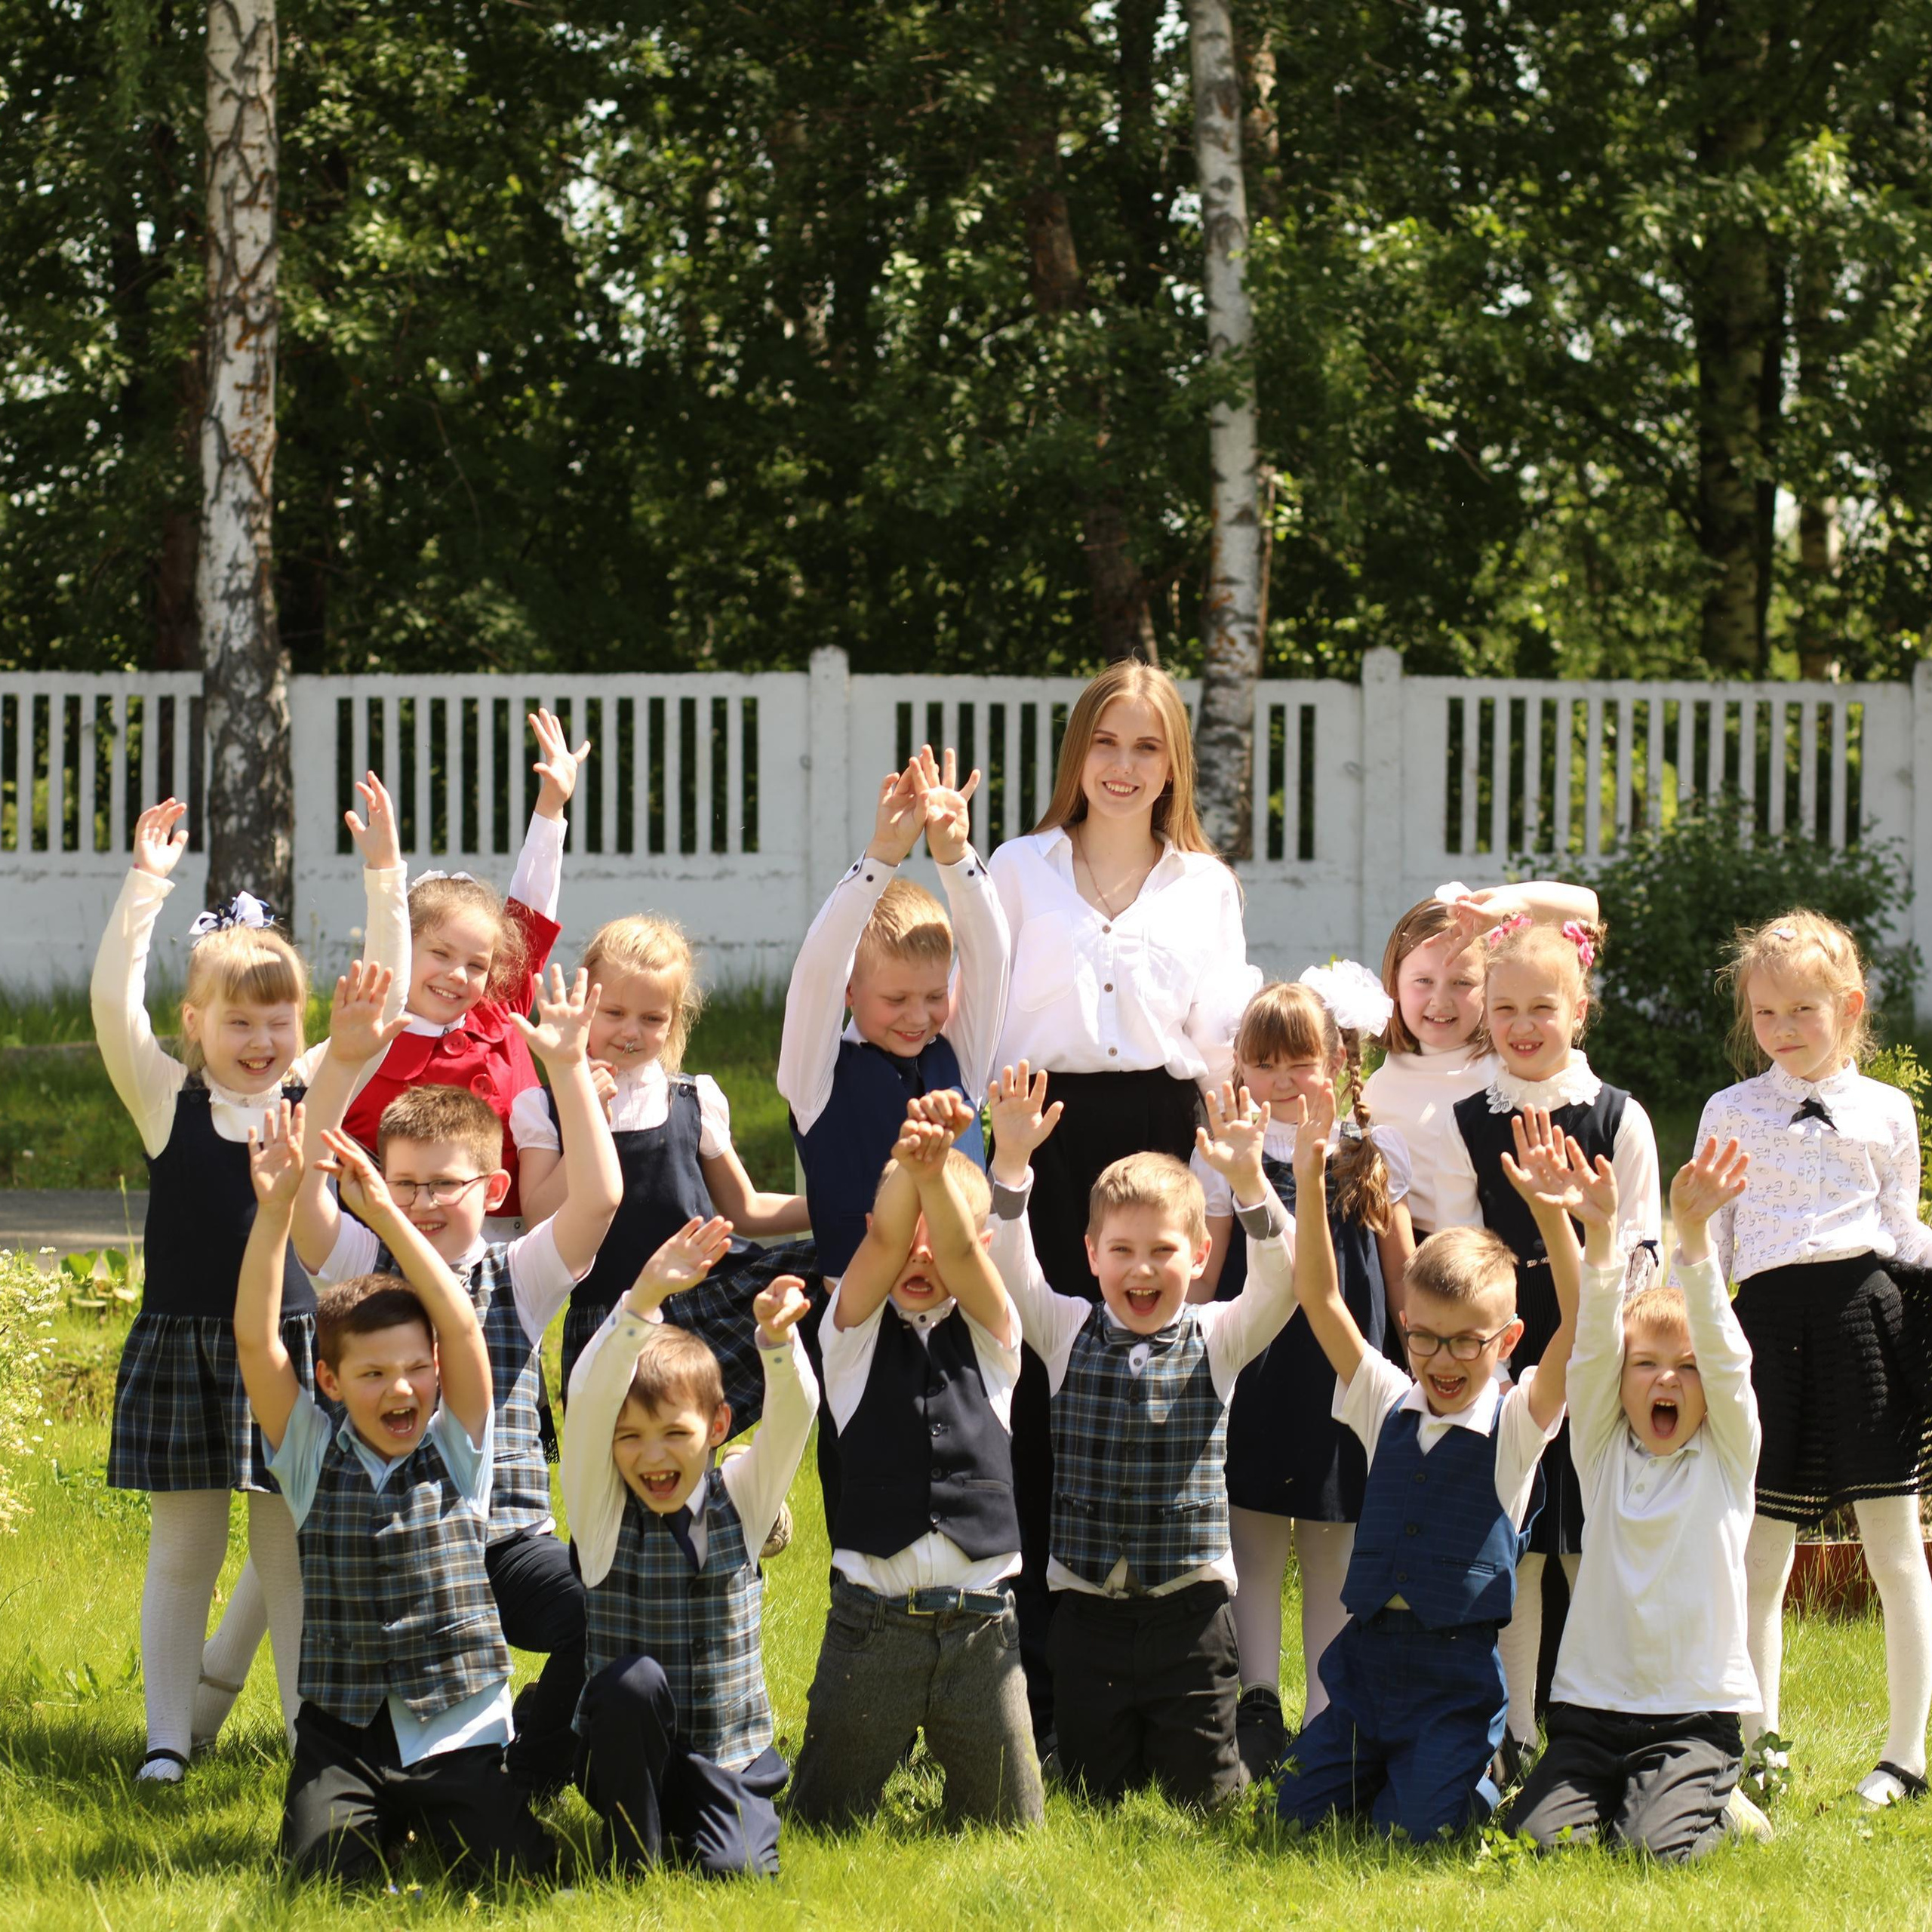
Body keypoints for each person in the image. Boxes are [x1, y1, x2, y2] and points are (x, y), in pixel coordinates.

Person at [91, 782, 408, 1783]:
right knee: (184, 1546)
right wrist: (146, 884)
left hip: (292, 1345)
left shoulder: (306, 1092)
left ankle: (310, 1748)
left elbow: (384, 1004)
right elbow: (110, 1000)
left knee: (291, 1553)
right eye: (240, 1022)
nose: (263, 1042)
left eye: (280, 1021)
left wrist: (385, 874)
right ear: (196, 1021)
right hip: (185, 1342)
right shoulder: (162, 1098)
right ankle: (166, 1744)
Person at [985, 660, 1257, 1736]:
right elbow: (978, 1020)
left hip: (1156, 1141)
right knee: (1040, 1395)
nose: (1125, 766)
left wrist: (1219, 1203)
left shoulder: (1205, 886)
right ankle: (1034, 1688)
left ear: (1173, 762)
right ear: (1077, 754)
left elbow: (1218, 1052)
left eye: (1148, 747)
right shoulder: (1017, 868)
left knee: (1148, 1401)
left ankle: (1155, 1678)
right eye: (1108, 743)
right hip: (1038, 1140)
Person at [291, 959, 622, 1800]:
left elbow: (599, 1198)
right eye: (403, 1185)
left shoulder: (519, 1274)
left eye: (445, 1184)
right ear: (378, 1185)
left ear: (496, 1187)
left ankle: (535, 1764)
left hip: (506, 1540)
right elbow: (303, 1200)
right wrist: (340, 1063)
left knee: (607, 1610)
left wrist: (571, 1067)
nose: (424, 1203)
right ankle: (389, 1770)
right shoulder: (370, 1265)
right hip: (397, 1548)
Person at [235, 1106, 552, 1881]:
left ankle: (463, 1812)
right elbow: (255, 1339)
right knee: (322, 1874)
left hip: (457, 1727)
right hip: (344, 1733)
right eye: (373, 1375)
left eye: (414, 1368)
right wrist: (275, 1212)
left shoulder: (458, 1443)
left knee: (513, 1874)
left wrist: (382, 1211)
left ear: (437, 1370)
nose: (400, 1387)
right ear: (331, 1382)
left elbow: (463, 1327)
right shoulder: (311, 1453)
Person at [983, 1066, 1294, 1807]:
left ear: (1196, 1256)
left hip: (1190, 1620)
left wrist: (1249, 1184)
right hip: (1086, 1618)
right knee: (1097, 1793)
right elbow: (1007, 1265)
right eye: (1121, 1251)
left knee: (1204, 1797)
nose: (1142, 1267)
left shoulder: (1218, 1335)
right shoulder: (1064, 1330)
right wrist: (1012, 1164)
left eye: (1161, 1250)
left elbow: (1282, 1283)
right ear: (1091, 1254)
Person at [1272, 1097, 1575, 1842]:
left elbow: (1582, 1327)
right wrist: (1309, 1181)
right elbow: (1320, 1297)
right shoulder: (1385, 1399)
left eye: (1465, 1342)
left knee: (1411, 1835)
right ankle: (1377, 1766)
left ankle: (1474, 1767)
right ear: (1405, 1329)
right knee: (1296, 1819)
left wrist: (1553, 1214)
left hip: (1453, 1680)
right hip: (1368, 1668)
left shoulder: (1513, 1427)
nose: (1442, 1361)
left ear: (1505, 1341)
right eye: (1425, 1339)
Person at [1692, 910, 1932, 1809]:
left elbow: (1902, 1230)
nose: (1783, 1029)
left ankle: (1903, 1755)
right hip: (1767, 1335)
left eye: (1803, 1009)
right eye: (1764, 1014)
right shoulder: (1728, 1112)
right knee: (1761, 1551)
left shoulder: (1887, 1109)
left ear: (1850, 1004)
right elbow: (1712, 1247)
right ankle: (1758, 1746)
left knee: (1895, 1547)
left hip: (1867, 1325)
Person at [1503, 1131, 1774, 1858]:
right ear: (1622, 1388)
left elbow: (1727, 1357)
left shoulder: (1725, 1459)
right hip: (1591, 1715)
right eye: (1647, 1365)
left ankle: (1720, 1799)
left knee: (1651, 1854)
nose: (1666, 1381)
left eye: (1684, 1370)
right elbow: (1591, 1353)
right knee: (1539, 1843)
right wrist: (1599, 1244)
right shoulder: (1600, 1451)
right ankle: (1639, 1795)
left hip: (1692, 1718)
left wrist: (1694, 1241)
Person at [1435, 915, 1660, 1760]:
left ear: (1578, 1011)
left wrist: (1612, 1345)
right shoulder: (1466, 1120)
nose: (1522, 1026)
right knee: (1519, 1547)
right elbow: (1459, 1250)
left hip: (1598, 1350)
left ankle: (1596, 1718)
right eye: (1504, 1009)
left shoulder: (1618, 1117)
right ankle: (1518, 1733)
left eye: (1542, 1007)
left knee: (1584, 1542)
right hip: (1509, 1358)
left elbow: (1641, 1247)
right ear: (1483, 1014)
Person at [790, 1092, 1044, 1832]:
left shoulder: (997, 1336)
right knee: (822, 1822)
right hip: (872, 1626)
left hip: (981, 1632)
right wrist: (914, 1152)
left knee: (1010, 1828)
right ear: (877, 1231)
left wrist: (933, 1173)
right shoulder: (852, 1333)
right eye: (907, 1235)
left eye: (942, 1235)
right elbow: (883, 1246)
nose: (921, 1252)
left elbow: (958, 1254)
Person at [1189, 968, 1414, 1780]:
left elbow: (1402, 1271)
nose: (1281, 1082)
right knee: (1249, 1543)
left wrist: (1418, 1360)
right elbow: (1208, 1266)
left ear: (1336, 1060)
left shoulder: (1371, 1150)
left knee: (1332, 1548)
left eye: (1300, 1062)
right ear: (1239, 1066)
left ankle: (1326, 1721)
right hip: (1256, 1373)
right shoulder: (1223, 1148)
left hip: (1342, 1378)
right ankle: (1256, 1706)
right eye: (1264, 1063)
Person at [777, 746, 1004, 1527]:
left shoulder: (959, 1054)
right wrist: (880, 857)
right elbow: (813, 971)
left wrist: (954, 856)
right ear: (852, 988)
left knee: (975, 1504)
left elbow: (991, 956)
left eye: (934, 996)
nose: (918, 1015)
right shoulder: (815, 1073)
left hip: (964, 1311)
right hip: (858, 1321)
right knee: (866, 1515)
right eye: (895, 997)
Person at [564, 1220, 817, 1878]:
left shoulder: (744, 1497)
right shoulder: (601, 1516)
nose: (652, 1457)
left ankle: (715, 1830)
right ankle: (632, 1859)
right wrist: (643, 1298)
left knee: (738, 1874)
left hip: (728, 1757)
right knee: (630, 1684)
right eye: (630, 1438)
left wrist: (777, 1342)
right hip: (627, 1759)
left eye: (675, 1432)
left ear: (718, 1427)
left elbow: (794, 1417)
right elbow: (589, 1401)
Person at [519, 911, 811, 1390]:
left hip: (704, 1300)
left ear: (675, 1021)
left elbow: (747, 1208)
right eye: (614, 1013)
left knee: (694, 1439)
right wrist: (584, 1113)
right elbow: (539, 1218)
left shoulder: (694, 1100)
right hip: (606, 1311)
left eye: (652, 1018)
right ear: (583, 1005)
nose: (631, 1032)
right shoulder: (544, 1107)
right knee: (618, 1455)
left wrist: (838, 1209)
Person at [340, 707, 590, 1230]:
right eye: (440, 954)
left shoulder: (502, 1009)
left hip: (505, 1240)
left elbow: (532, 905)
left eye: (477, 964)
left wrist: (552, 805)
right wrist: (384, 870)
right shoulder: (368, 1041)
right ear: (403, 949)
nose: (459, 975)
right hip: (396, 1241)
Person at [1361, 880, 1601, 1242]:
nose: (1440, 1000)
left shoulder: (1511, 1064)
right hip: (1424, 1267)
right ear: (1393, 983)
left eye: (1462, 982)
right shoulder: (1377, 1090)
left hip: (1521, 1253)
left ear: (1490, 986)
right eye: (1423, 980)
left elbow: (1587, 909)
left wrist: (1502, 903)